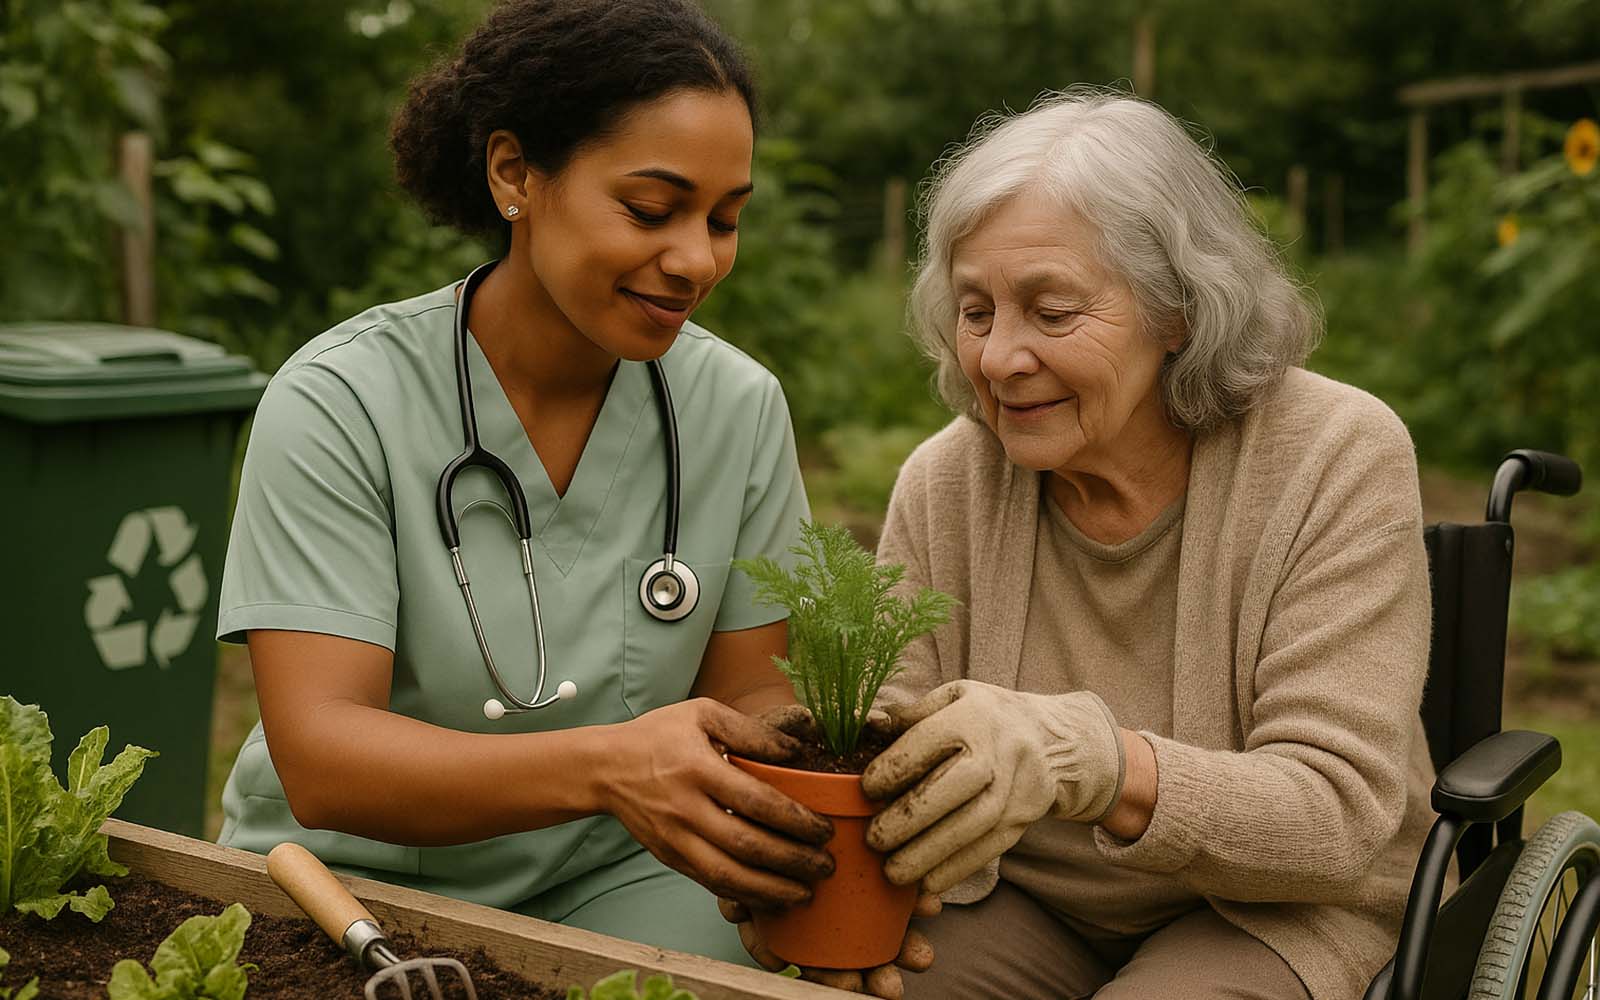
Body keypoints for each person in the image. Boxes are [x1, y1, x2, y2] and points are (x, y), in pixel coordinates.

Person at [730, 90, 1436, 999]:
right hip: (1020, 898)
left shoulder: (1335, 455)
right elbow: (890, 744)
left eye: (1052, 312)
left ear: (1177, 310)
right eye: (976, 311)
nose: (997, 359)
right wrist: (801, 843)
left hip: (1278, 911)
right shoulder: (949, 480)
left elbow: (1336, 819)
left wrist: (1096, 762)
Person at [213, 0, 836, 964]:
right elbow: (323, 759)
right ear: (515, 173)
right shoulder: (343, 399)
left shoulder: (736, 409)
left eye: (725, 220)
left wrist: (844, 773)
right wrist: (609, 768)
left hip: (621, 875)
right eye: (651, 209)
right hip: (346, 885)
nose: (696, 260)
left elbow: (750, 697)